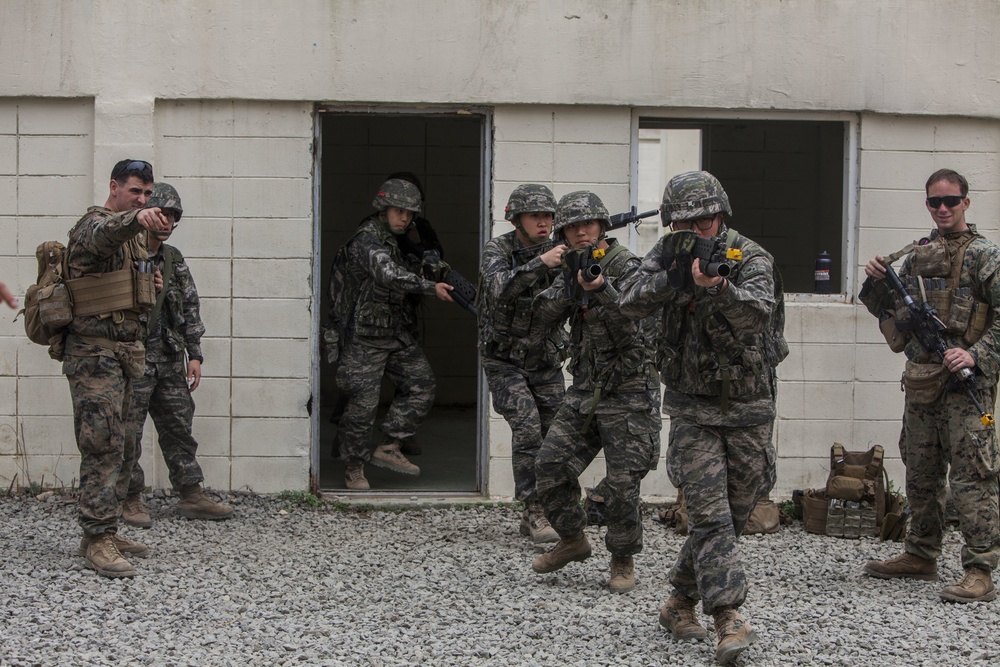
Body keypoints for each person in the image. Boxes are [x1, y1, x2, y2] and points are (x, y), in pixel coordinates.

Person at [619, 171, 781, 664]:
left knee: (732, 517)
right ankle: (728, 618)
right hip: (693, 407)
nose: (699, 231)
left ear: (722, 215)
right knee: (710, 516)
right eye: (686, 224)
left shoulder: (750, 256)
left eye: (706, 220)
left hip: (750, 406)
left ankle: (678, 601)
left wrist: (717, 289)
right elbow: (626, 299)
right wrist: (675, 279)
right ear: (672, 224)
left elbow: (758, 314)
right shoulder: (669, 256)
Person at [859, 168, 999, 604]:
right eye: (934, 202)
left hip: (965, 388)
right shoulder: (917, 256)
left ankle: (980, 569)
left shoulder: (985, 257)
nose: (942, 209)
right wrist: (877, 278)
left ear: (966, 203)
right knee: (920, 473)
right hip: (922, 383)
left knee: (973, 478)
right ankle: (921, 553)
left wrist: (976, 355)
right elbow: (878, 305)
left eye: (950, 201)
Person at [530, 191, 661, 593]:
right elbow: (540, 317)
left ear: (603, 227)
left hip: (630, 391)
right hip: (586, 389)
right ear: (564, 234)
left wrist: (602, 288)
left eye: (588, 224)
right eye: (572, 226)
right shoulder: (570, 267)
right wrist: (569, 284)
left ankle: (622, 558)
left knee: (622, 485)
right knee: (549, 467)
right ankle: (572, 540)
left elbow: (641, 335)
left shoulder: (630, 268)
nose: (581, 231)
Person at [63, 159, 171, 578]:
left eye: (147, 194)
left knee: (126, 445)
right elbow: (103, 236)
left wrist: (147, 287)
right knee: (102, 444)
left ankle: (106, 529)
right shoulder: (94, 224)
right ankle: (96, 537)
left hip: (126, 353)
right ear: (114, 187)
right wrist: (135, 218)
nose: (143, 200)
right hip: (94, 355)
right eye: (134, 192)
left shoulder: (134, 241)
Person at [120, 182, 233, 528]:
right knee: (128, 432)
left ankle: (190, 492)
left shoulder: (173, 260)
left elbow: (189, 307)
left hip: (168, 357)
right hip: (134, 357)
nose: (167, 221)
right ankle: (130, 497)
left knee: (179, 427)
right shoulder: (123, 253)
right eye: (162, 213)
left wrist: (195, 355)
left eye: (173, 215)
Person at [335, 178, 454, 490]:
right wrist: (430, 287)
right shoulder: (367, 239)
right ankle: (354, 467)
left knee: (422, 386)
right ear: (383, 208)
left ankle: (390, 446)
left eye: (410, 213)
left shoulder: (397, 240)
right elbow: (387, 273)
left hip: (395, 333)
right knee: (363, 406)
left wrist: (428, 265)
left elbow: (405, 268)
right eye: (399, 211)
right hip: (365, 337)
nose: (405, 218)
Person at [478, 184, 567, 544]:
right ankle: (533, 511)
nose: (544, 222)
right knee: (528, 428)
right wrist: (540, 262)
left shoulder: (561, 249)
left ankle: (558, 505)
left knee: (558, 433)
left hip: (544, 359)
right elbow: (499, 286)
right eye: (535, 216)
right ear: (517, 219)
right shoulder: (497, 249)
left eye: (548, 216)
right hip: (504, 360)